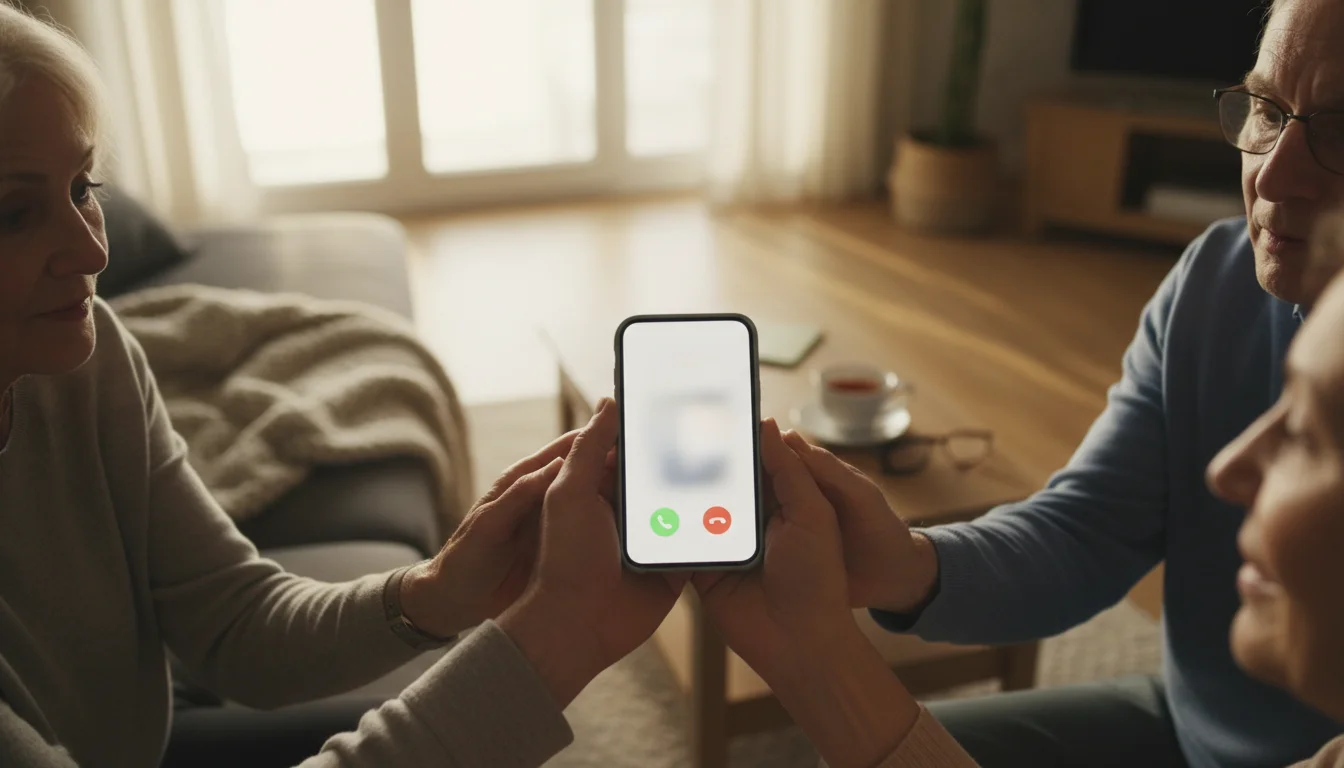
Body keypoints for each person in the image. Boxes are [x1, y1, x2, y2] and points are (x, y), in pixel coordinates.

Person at [0, 6, 684, 766]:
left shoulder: (83, 366)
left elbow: (235, 626)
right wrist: (560, 638)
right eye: (13, 214)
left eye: (83, 186)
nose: (93, 251)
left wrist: (437, 591)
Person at [772, 0, 1344, 765]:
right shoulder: (1217, 274)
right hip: (1187, 727)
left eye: (1342, 132)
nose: (1274, 176)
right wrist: (907, 566)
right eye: (1269, 110)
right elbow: (1090, 528)